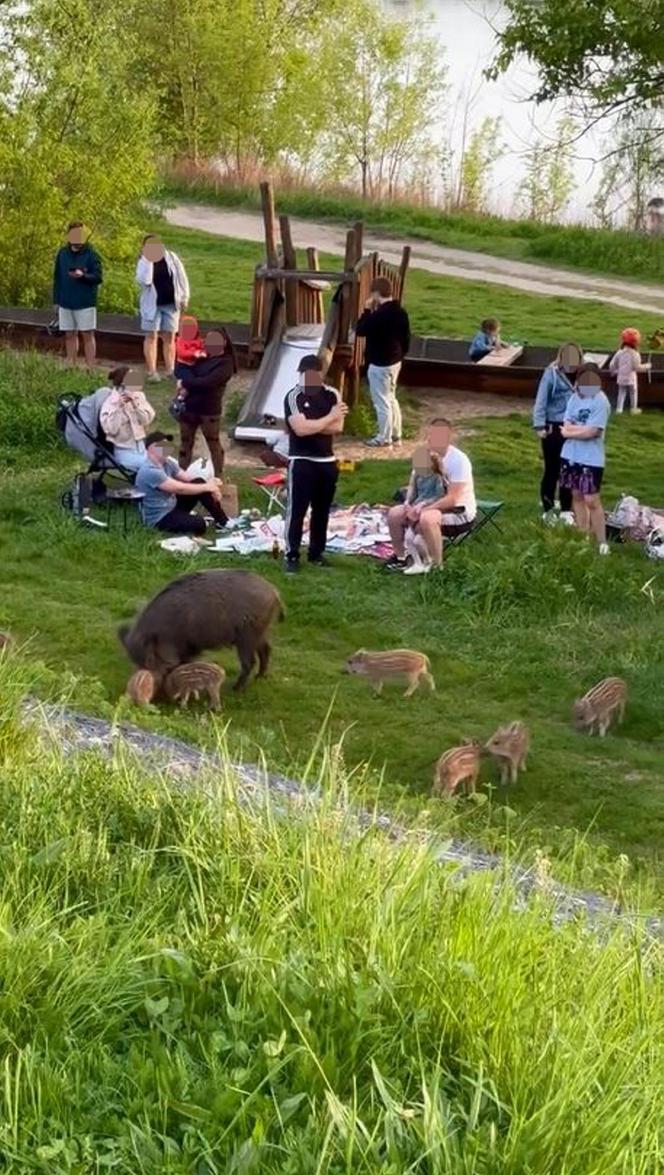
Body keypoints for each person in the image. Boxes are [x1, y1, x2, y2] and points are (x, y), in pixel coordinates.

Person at [283, 354, 348, 573]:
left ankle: (316, 552)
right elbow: (300, 430)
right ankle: (292, 554)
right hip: (302, 461)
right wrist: (329, 417)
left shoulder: (332, 394)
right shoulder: (293, 396)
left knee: (322, 510)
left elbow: (338, 428)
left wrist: (315, 423)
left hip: (326, 461)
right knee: (297, 510)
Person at [386, 418, 477, 574]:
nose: (430, 439)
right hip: (426, 504)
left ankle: (437, 566)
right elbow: (414, 486)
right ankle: (401, 557)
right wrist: (408, 504)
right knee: (394, 514)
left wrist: (422, 509)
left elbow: (452, 499)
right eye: (430, 435)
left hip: (458, 511)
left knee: (427, 519)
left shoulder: (459, 461)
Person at [560, 365, 611, 556]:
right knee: (577, 495)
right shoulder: (574, 398)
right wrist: (572, 431)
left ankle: (602, 541)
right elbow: (566, 424)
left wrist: (571, 432)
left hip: (591, 458)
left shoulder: (601, 401)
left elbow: (594, 431)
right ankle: (583, 535)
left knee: (592, 499)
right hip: (571, 455)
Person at [134, 431, 228, 535]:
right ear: (152, 448)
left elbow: (189, 478)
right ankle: (187, 521)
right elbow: (179, 489)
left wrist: (211, 484)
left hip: (172, 506)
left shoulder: (168, 463)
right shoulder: (150, 470)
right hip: (159, 518)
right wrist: (208, 487)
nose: (167, 448)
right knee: (199, 523)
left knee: (199, 482)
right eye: (163, 445)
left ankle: (223, 522)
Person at [355, 277, 410, 447]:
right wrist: (401, 354)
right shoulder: (400, 312)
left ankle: (383, 437)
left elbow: (360, 330)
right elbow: (406, 337)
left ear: (376, 294)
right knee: (391, 398)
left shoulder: (378, 315)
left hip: (380, 363)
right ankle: (395, 433)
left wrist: (365, 310)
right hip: (395, 360)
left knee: (381, 402)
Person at [175, 328, 237, 478]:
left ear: (223, 342)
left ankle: (218, 476)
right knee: (185, 443)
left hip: (209, 410)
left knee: (213, 443)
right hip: (189, 407)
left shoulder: (226, 364)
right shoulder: (200, 357)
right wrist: (187, 380)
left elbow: (208, 383)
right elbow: (182, 369)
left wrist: (186, 383)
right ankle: (181, 474)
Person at [532, 341, 583, 521]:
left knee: (568, 470)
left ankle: (566, 510)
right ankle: (547, 509)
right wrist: (539, 426)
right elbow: (541, 401)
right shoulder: (551, 374)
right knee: (552, 470)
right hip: (554, 427)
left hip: (574, 428)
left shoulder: (581, 375)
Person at [135, 234, 190, 383]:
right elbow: (145, 281)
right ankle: (152, 371)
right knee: (151, 336)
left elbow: (181, 277)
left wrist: (185, 297)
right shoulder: (143, 262)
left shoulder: (171, 258)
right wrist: (148, 261)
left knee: (170, 336)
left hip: (171, 303)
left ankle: (170, 369)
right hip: (152, 305)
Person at [53, 222, 102, 371]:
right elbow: (57, 278)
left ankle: (90, 367)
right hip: (66, 302)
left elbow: (98, 277)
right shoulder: (62, 254)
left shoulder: (92, 255)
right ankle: (71, 365)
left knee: (87, 334)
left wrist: (83, 276)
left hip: (85, 302)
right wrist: (56, 300)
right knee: (69, 334)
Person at [99, 367, 155, 472]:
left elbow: (147, 419)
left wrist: (135, 404)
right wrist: (119, 407)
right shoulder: (110, 402)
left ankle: (189, 482)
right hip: (124, 452)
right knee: (153, 467)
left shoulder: (139, 396)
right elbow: (111, 429)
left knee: (168, 462)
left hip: (141, 448)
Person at [609, 328, 651, 414]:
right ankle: (633, 408)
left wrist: (613, 371)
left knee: (621, 392)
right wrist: (647, 366)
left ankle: (619, 409)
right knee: (633, 392)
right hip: (631, 378)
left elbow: (612, 364)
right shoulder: (635, 354)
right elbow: (637, 367)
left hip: (621, 377)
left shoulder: (619, 353)